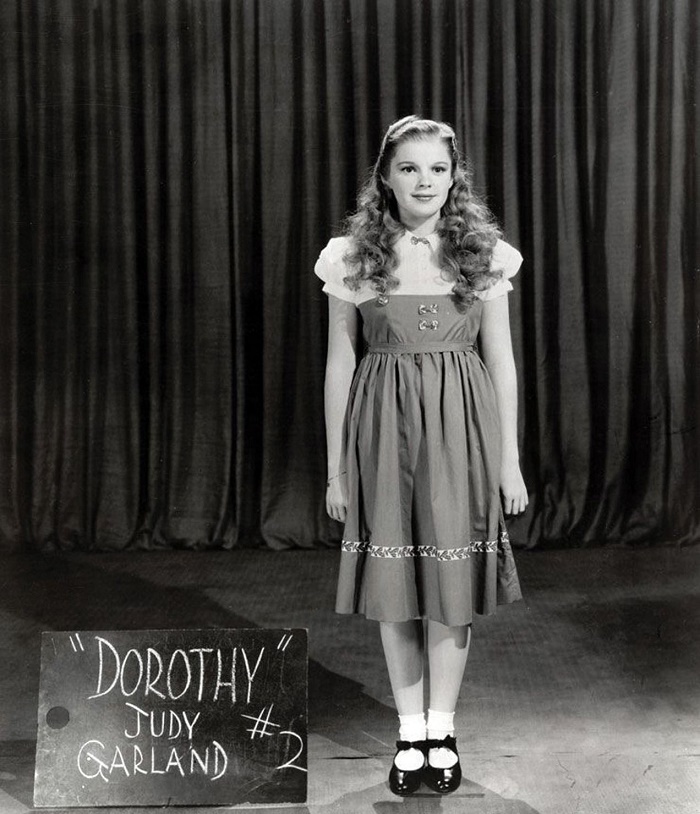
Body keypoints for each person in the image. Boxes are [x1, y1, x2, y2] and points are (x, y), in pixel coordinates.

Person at [315, 115, 528, 796]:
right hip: (384, 429)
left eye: (437, 168)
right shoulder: (351, 255)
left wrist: (509, 461)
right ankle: (410, 733)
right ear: (385, 175)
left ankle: (443, 726)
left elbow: (501, 359)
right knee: (397, 587)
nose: (424, 181)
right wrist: (337, 467)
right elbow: (340, 363)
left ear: (454, 176)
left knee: (450, 588)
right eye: (409, 168)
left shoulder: (483, 252)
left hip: (462, 428)